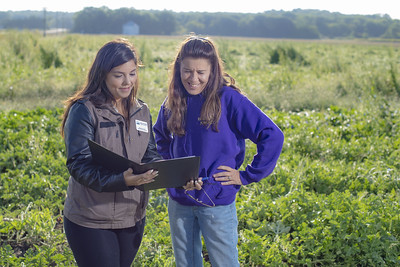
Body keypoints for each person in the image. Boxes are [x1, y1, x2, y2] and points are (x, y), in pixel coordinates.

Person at [153, 35, 284, 266]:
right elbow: (160, 138)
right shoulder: (173, 100)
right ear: (178, 69)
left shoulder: (229, 99)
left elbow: (272, 135)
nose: (193, 79)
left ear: (213, 71)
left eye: (201, 72)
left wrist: (245, 175)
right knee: (186, 263)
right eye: (187, 71)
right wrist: (174, 173)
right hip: (180, 201)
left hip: (217, 200)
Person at [60, 39, 162, 267]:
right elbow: (79, 165)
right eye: (119, 75)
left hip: (132, 217)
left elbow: (149, 155)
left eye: (133, 73)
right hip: (91, 219)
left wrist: (175, 175)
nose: (128, 82)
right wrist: (121, 180)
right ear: (102, 74)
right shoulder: (84, 110)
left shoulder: (141, 110)